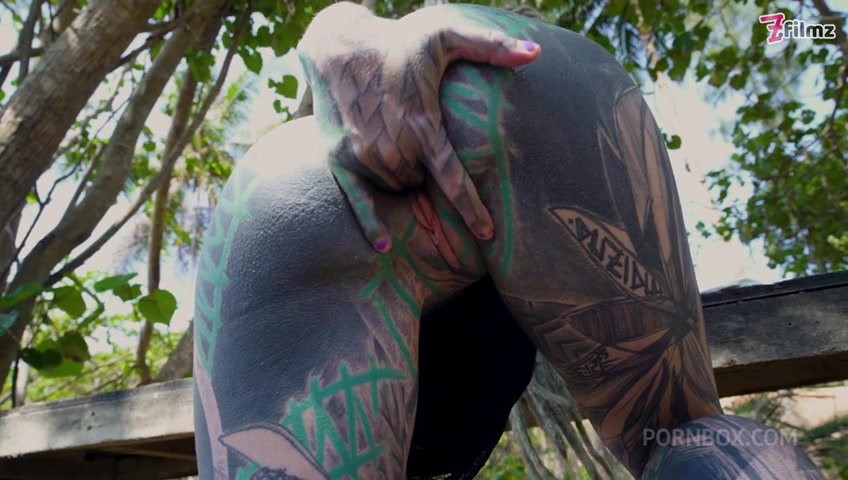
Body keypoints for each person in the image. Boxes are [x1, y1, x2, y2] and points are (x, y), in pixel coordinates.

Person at [192, 3, 826, 479]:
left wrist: (338, 27)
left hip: (299, 186)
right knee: (691, 436)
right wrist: (337, 28)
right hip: (547, 91)